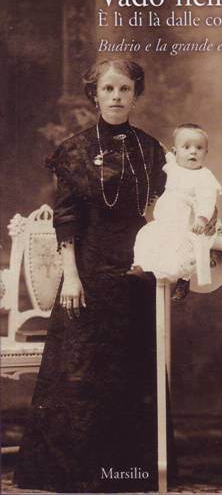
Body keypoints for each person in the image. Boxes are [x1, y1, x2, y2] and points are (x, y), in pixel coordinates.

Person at [15, 58, 174, 492]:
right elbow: (66, 218)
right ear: (95, 95)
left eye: (124, 89)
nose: (116, 97)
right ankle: (80, 473)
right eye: (108, 89)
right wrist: (71, 276)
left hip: (137, 269)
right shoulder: (74, 150)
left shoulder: (152, 149)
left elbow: (163, 211)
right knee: (83, 370)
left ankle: (129, 472)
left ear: (136, 95)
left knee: (132, 368)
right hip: (87, 269)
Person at [131, 123, 222, 300]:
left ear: (206, 153)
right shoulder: (174, 167)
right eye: (186, 147)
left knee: (185, 249)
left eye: (199, 148)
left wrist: (202, 219)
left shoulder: (204, 176)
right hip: (165, 221)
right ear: (176, 152)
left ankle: (184, 279)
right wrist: (161, 148)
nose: (193, 152)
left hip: (187, 223)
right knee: (146, 235)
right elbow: (168, 157)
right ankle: (142, 266)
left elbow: (207, 200)